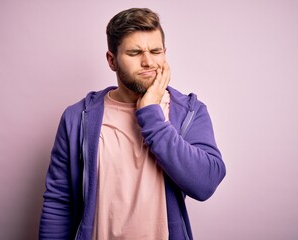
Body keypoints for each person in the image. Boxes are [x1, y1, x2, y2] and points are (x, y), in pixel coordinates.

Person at [39, 7, 226, 240]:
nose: (148, 62)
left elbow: (205, 184)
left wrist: (151, 115)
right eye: (135, 53)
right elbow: (59, 200)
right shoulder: (78, 117)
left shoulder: (189, 112)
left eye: (156, 51)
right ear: (112, 60)